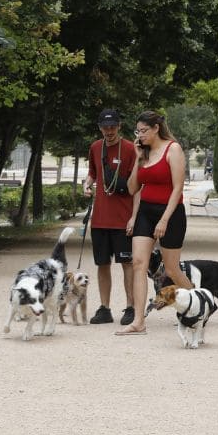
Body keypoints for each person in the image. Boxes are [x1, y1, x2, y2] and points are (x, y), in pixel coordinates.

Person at [117, 111, 192, 335]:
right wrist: (138, 160)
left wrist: (165, 219)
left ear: (156, 128)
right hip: (146, 212)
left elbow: (178, 187)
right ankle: (138, 321)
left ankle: (201, 301)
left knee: (171, 269)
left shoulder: (173, 149)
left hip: (171, 212)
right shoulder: (142, 153)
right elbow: (132, 189)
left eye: (143, 131)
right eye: (137, 132)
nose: (139, 136)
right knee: (139, 263)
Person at [82, 109, 138, 325]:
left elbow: (138, 185)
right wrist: (86, 184)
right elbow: (92, 173)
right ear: (100, 128)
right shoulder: (96, 147)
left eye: (113, 126)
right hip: (100, 219)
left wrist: (134, 217)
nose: (109, 131)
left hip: (122, 218)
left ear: (120, 126)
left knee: (127, 264)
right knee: (102, 264)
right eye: (105, 127)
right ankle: (105, 308)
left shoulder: (131, 149)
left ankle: (131, 306)